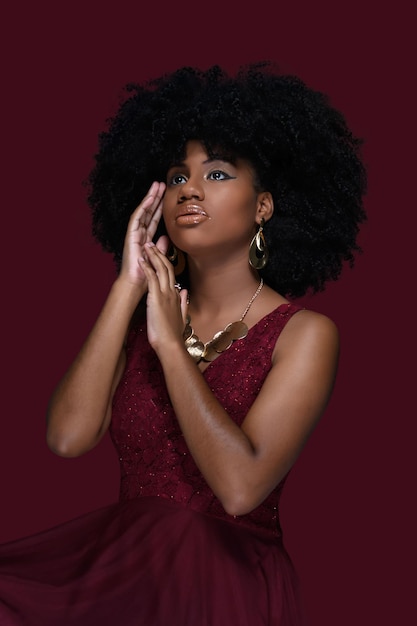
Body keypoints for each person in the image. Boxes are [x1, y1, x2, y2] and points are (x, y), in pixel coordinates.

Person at [0, 62, 367, 625]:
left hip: (225, 591)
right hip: (124, 584)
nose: (189, 189)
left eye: (217, 174)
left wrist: (172, 348)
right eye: (176, 177)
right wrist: (127, 287)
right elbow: (69, 438)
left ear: (263, 206)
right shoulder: (137, 324)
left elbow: (241, 489)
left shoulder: (304, 333)